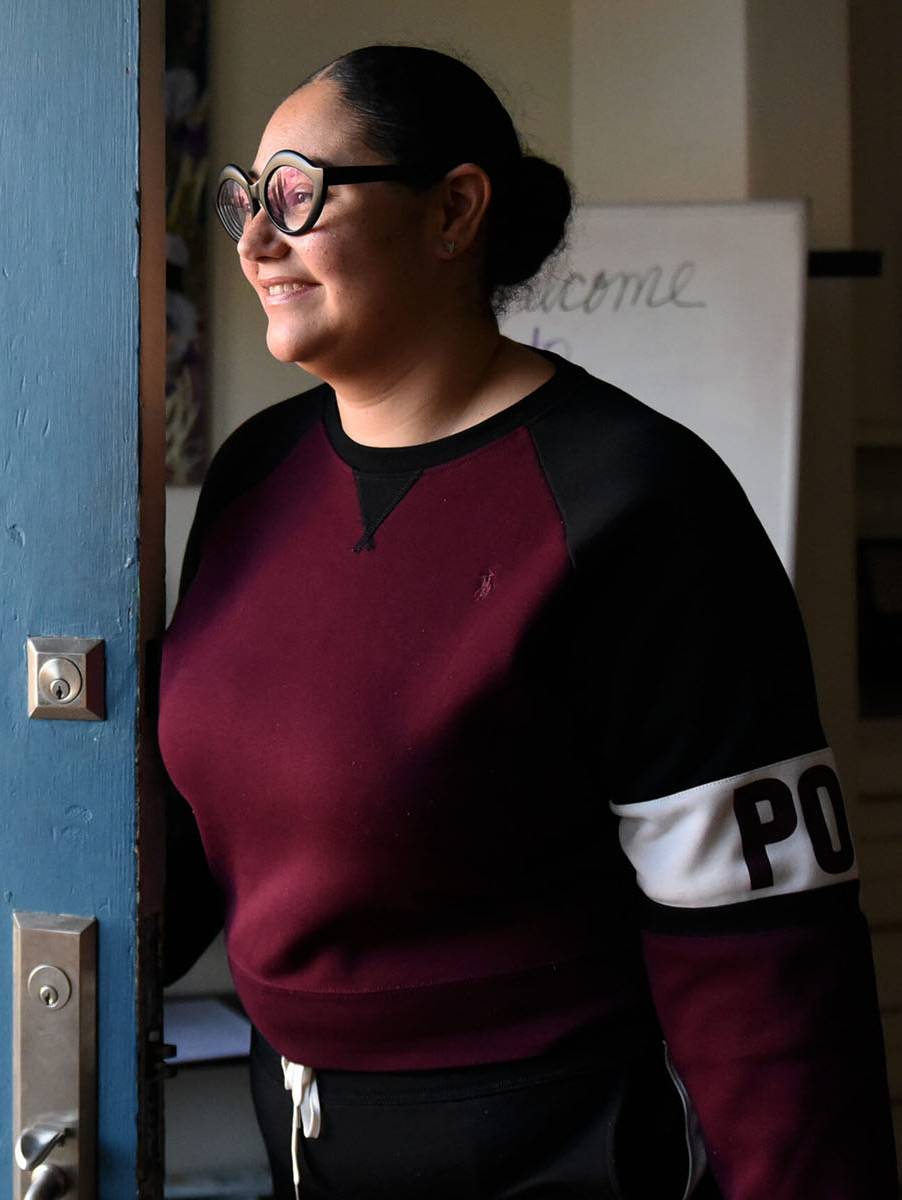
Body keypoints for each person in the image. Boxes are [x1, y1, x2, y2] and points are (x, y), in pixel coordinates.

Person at [158, 45, 896, 1200]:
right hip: (299, 1138)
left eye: (299, 193)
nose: (255, 242)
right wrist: (38, 993)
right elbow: (199, 822)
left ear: (454, 210)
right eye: (247, 201)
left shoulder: (640, 499)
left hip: (558, 1154)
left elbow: (764, 955)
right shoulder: (255, 477)